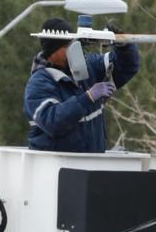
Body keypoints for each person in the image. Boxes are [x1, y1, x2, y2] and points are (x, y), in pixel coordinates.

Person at [23, 17, 140, 153]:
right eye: (67, 46)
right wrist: (87, 98)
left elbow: (127, 66)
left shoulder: (88, 66)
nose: (73, 50)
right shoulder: (39, 84)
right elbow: (53, 122)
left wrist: (123, 44)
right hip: (57, 163)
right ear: (54, 50)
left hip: (90, 161)